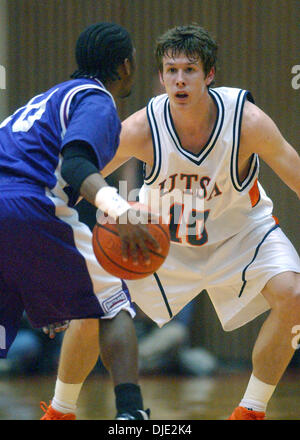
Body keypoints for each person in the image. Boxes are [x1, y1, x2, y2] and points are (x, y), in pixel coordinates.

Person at [41, 24, 300, 420]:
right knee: (91, 306)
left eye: (190, 70)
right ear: (161, 77)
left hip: (241, 235)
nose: (179, 80)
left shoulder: (247, 122)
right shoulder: (143, 127)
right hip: (158, 240)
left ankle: (251, 410)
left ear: (209, 74)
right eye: (171, 70)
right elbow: (77, 179)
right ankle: (59, 411)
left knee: (294, 295)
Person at [0, 22, 158, 420]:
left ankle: (61, 412)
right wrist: (120, 211)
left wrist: (43, 286)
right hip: (30, 203)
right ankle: (130, 415)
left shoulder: (44, 100)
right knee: (113, 305)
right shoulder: (96, 100)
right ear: (125, 66)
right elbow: (74, 164)